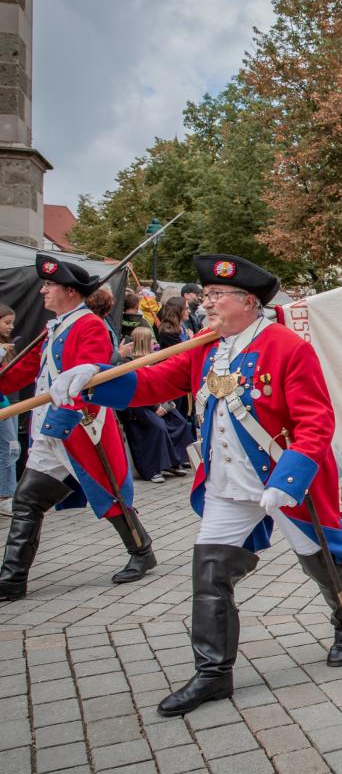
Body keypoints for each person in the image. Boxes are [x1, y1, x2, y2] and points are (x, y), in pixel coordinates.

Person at [52, 253, 342, 716]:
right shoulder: (205, 345)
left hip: (281, 476)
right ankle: (213, 674)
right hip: (226, 482)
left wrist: (290, 480)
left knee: (320, 559)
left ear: (249, 302)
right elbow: (153, 383)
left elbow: (316, 423)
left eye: (218, 296)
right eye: (210, 295)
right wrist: (93, 383)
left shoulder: (286, 347)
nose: (209, 303)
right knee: (211, 571)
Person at [0, 255, 156, 601]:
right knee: (27, 500)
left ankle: (142, 550)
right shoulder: (55, 326)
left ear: (70, 291)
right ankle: (12, 579)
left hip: (81, 430)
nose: (43, 291)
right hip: (50, 433)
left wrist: (58, 424)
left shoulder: (88, 326)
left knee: (111, 495)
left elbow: (89, 381)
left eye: (49, 285)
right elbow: (28, 369)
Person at [117, 327, 191, 483]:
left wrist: (166, 403)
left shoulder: (153, 358)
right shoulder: (129, 362)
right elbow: (136, 387)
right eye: (151, 339)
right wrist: (156, 406)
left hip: (156, 400)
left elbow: (161, 382)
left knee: (179, 421)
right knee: (158, 427)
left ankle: (175, 460)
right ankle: (153, 469)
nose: (154, 342)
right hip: (138, 407)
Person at [0, 304, 18, 517]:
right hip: (3, 405)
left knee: (12, 448)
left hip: (9, 402)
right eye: (6, 322)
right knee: (9, 448)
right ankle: (6, 495)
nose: (10, 327)